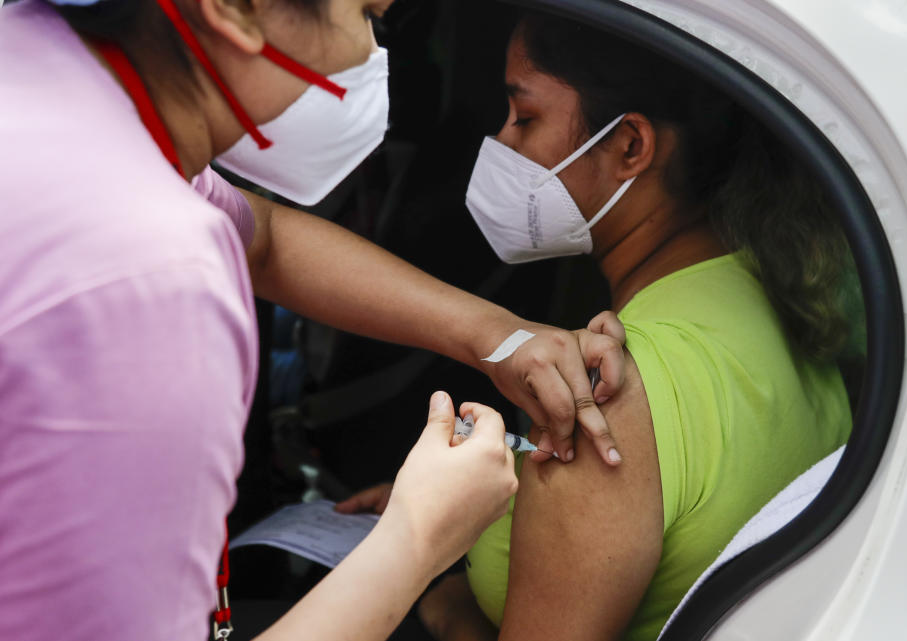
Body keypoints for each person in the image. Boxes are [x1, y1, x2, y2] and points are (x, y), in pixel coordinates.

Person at [0, 2, 630, 641]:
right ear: (231, 10)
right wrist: (419, 539)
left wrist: (496, 337)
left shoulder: (45, 76)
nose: (368, 56)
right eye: (365, 17)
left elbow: (261, 236)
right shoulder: (156, 278)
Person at [392, 12, 854, 641]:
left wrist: (454, 614)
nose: (502, 143)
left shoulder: (606, 394)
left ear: (630, 146)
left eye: (524, 118)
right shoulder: (768, 292)